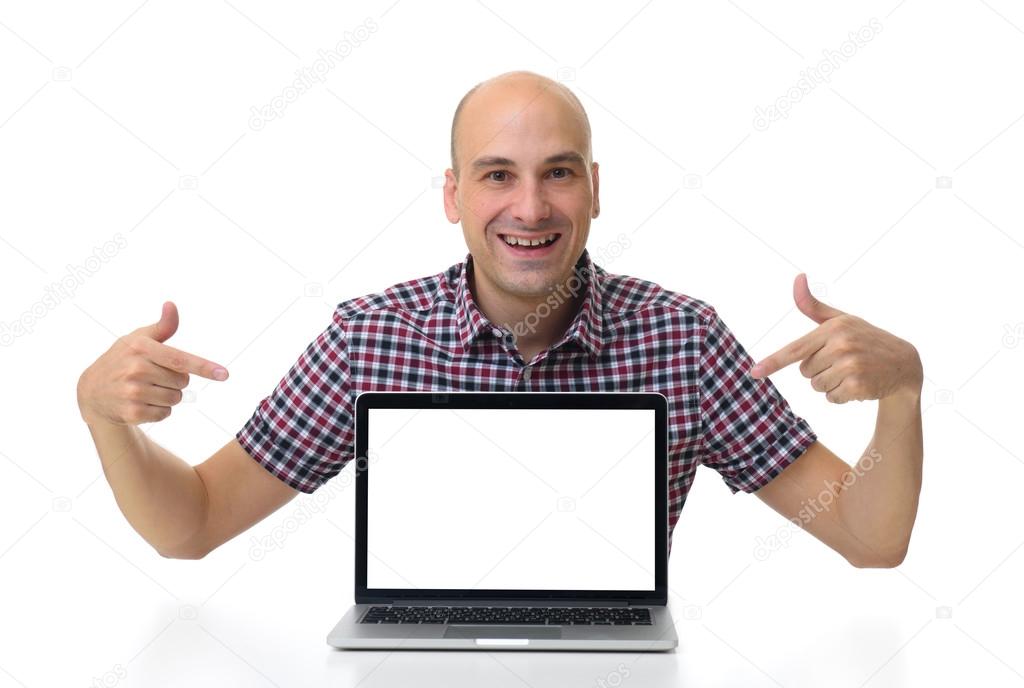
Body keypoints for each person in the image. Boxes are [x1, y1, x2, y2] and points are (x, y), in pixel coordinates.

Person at [76, 70, 924, 566]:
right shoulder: (370, 341)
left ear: (594, 189)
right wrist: (104, 417)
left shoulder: (684, 341)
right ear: (452, 195)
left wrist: (904, 393)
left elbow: (866, 536)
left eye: (557, 172)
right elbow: (192, 524)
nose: (529, 205)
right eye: (495, 175)